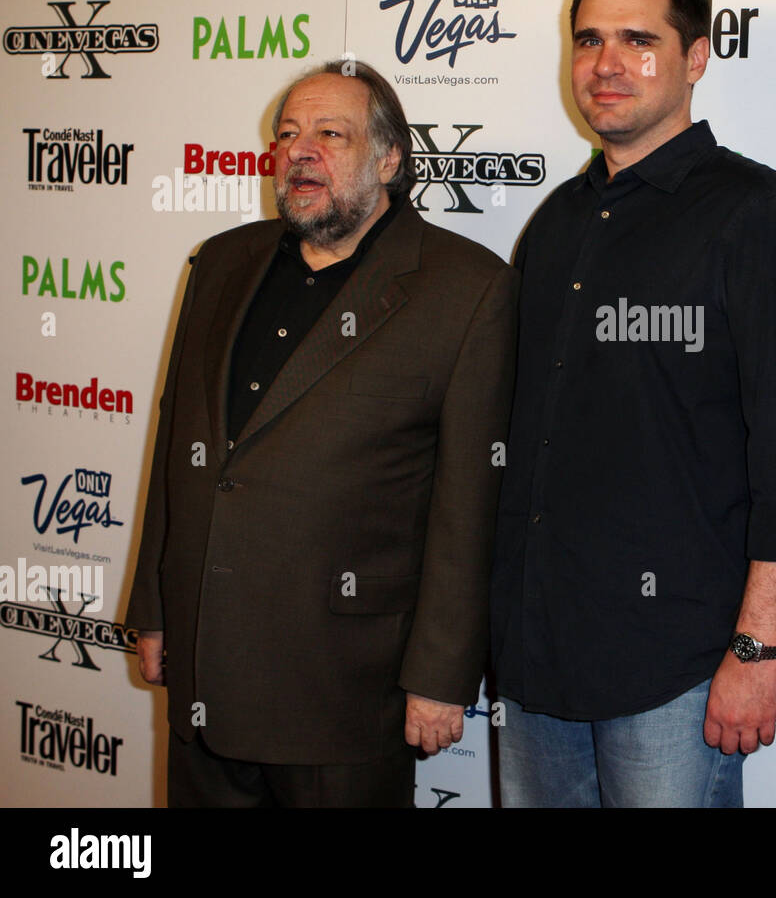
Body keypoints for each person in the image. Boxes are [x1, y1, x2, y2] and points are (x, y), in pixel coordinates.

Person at [490, 0, 776, 807]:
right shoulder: (557, 224)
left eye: (637, 41)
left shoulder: (758, 215)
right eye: (588, 40)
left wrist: (759, 652)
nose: (607, 64)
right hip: (535, 666)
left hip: (674, 673)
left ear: (695, 57)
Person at [126, 61, 517, 807]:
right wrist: (155, 607)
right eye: (289, 134)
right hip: (205, 674)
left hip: (344, 692)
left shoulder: (467, 289)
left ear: (389, 159)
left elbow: (469, 509)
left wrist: (438, 678)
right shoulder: (220, 263)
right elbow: (179, 448)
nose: (301, 151)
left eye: (330, 135)